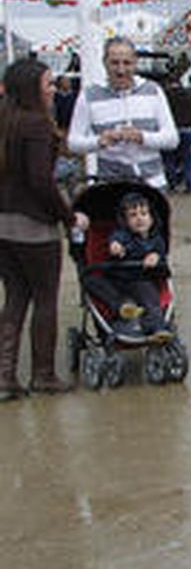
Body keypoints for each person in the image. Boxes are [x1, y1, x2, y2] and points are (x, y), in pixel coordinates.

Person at [1, 58, 89, 397]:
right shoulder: (37, 125)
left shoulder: (5, 120)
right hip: (34, 227)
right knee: (45, 299)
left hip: (3, 225)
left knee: (14, 298)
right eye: (49, 84)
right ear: (32, 89)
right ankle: (43, 374)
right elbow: (41, 180)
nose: (54, 89)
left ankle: (5, 376)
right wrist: (69, 216)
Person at [67, 37, 179, 187]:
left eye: (127, 63)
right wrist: (100, 141)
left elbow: (172, 139)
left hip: (152, 184)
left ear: (135, 63)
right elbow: (73, 142)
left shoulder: (153, 91)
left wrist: (141, 137)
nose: (121, 70)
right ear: (104, 63)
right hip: (111, 185)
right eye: (114, 63)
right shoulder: (89, 95)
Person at [85, 192, 171, 340]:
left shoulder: (156, 239)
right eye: (133, 215)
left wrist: (155, 257)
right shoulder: (121, 235)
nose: (139, 218)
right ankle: (122, 306)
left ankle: (157, 328)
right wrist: (116, 247)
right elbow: (115, 242)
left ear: (151, 218)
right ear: (125, 221)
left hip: (140, 279)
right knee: (90, 279)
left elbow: (160, 253)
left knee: (151, 300)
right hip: (116, 278)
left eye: (144, 214)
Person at [162, 76, 191, 194]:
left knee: (169, 158)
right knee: (187, 158)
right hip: (187, 130)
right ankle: (188, 183)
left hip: (172, 130)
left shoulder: (165, 95)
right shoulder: (188, 95)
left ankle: (172, 184)